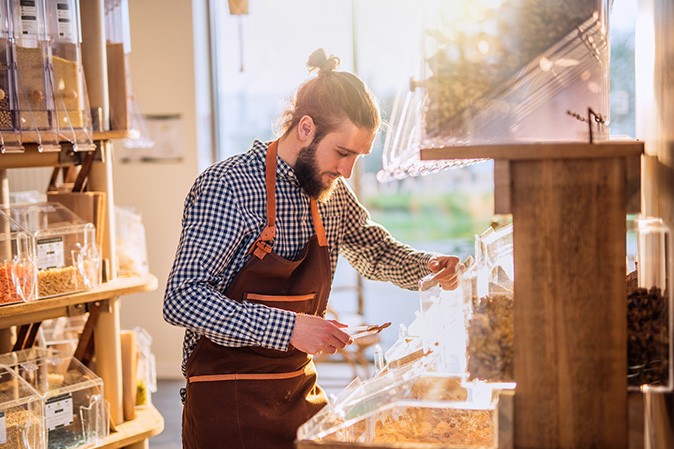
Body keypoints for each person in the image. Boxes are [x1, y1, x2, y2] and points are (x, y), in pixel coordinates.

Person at [163, 48, 462, 449]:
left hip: (300, 397)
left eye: (357, 157)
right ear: (305, 128)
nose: (347, 171)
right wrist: (290, 328)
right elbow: (182, 299)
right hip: (227, 405)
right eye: (342, 152)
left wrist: (427, 267)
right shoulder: (228, 186)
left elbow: (374, 250)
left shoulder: (331, 193)